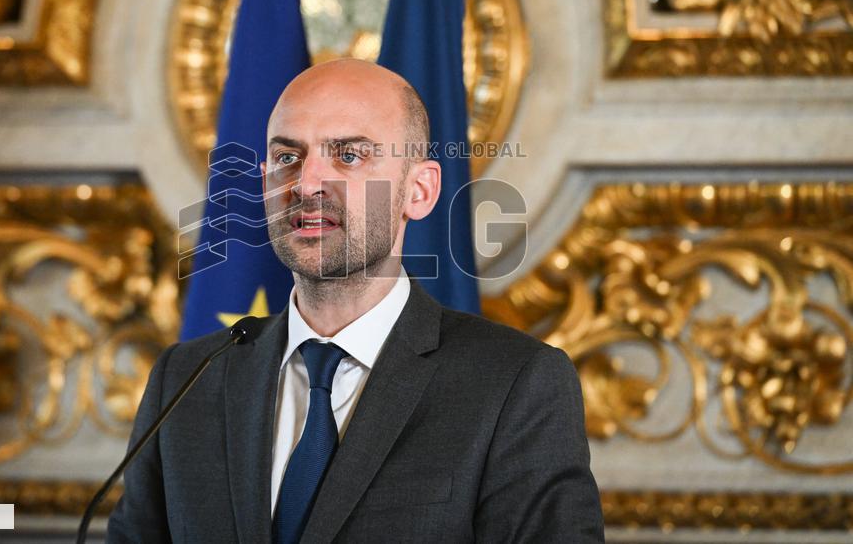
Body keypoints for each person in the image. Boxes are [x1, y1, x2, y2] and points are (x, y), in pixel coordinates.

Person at [106, 59, 604, 543]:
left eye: (348, 155)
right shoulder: (186, 379)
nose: (305, 183)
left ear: (420, 191)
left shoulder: (515, 385)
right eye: (286, 157)